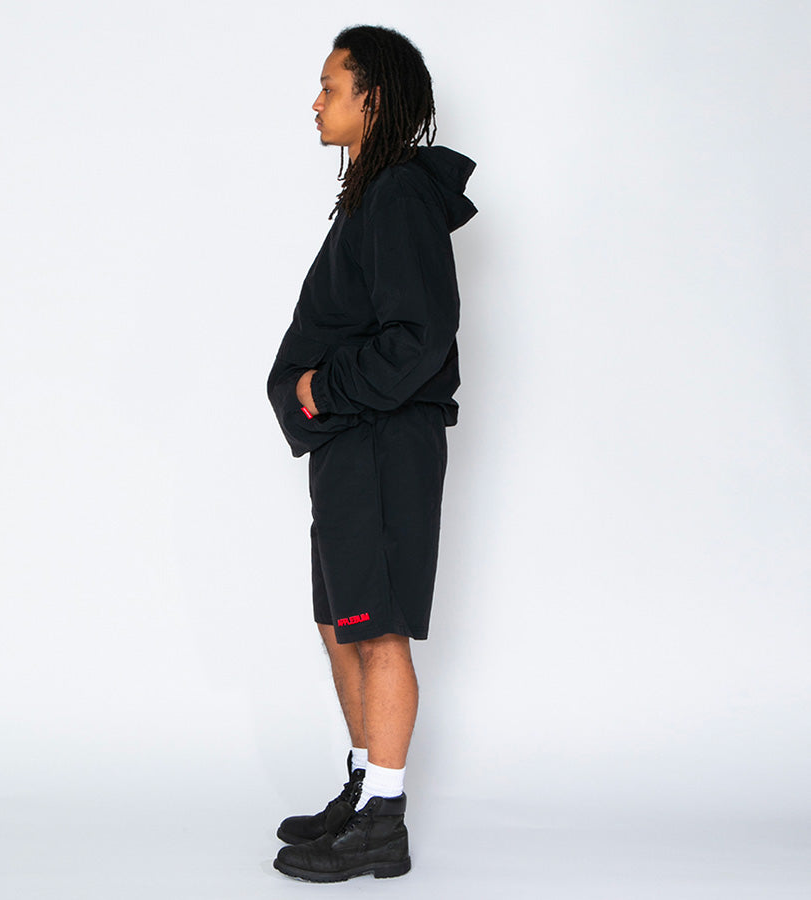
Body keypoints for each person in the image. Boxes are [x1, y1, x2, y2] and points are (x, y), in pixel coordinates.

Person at [267, 24, 477, 883]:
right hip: (353, 444)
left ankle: (384, 820)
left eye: (330, 86)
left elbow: (421, 336)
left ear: (373, 98)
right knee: (341, 621)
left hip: (385, 441)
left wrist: (324, 387)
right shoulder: (370, 196)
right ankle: (364, 786)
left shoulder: (399, 196)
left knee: (378, 627)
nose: (316, 102)